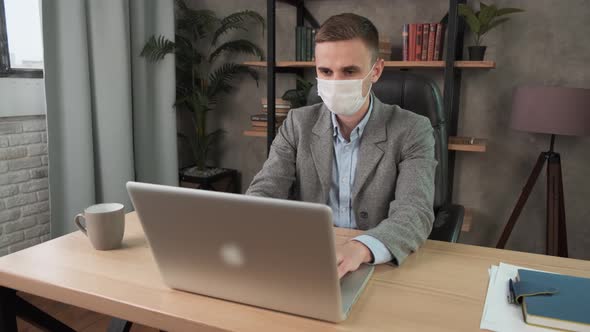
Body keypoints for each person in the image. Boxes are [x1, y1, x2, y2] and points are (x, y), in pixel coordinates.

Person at [246, 13, 437, 278]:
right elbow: (265, 191)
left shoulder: (412, 129)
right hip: (308, 258)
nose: (335, 82)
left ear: (376, 71)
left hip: (377, 263)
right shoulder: (297, 123)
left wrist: (360, 248)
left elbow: (414, 212)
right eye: (325, 71)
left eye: (349, 71)